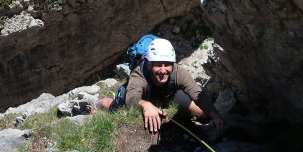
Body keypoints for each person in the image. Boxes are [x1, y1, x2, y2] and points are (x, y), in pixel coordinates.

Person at [97, 38, 226, 139]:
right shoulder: (139, 74)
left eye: (167, 65)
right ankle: (98, 103)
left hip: (166, 95)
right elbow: (131, 98)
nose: (163, 70)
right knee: (112, 107)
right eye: (158, 65)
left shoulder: (178, 72)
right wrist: (146, 105)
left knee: (203, 113)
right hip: (144, 96)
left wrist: (215, 116)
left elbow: (197, 93)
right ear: (149, 64)